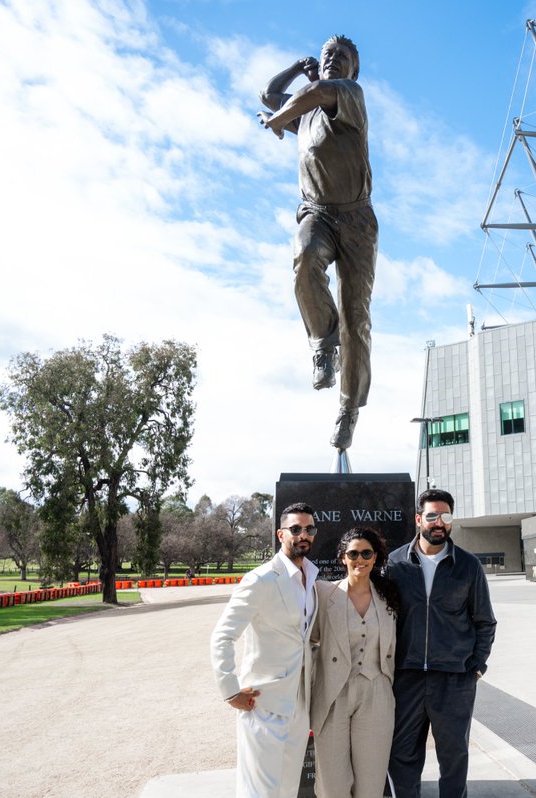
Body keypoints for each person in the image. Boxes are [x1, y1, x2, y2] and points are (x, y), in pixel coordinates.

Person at [257, 35, 377, 451]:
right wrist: (294, 65)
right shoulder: (305, 114)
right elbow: (270, 94)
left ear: (352, 70)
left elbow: (317, 93)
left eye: (342, 57)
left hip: (358, 220)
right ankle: (324, 346)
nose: (333, 60)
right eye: (327, 55)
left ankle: (349, 409)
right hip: (318, 214)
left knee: (355, 317)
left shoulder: (349, 94)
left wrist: (276, 122)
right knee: (305, 257)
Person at [387, 489, 497, 798]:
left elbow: (485, 621)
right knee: (403, 756)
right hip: (406, 677)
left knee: (453, 758)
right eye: (433, 516)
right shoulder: (395, 564)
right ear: (419, 519)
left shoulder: (468, 565)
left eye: (445, 516)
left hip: (454, 679)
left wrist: (476, 666)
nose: (439, 523)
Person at [210, 502, 321, 798]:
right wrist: (231, 690)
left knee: (287, 791)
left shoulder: (312, 577)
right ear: (280, 534)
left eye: (308, 529)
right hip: (263, 704)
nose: (303, 535)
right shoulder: (259, 580)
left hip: (299, 705)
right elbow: (222, 636)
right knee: (258, 793)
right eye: (295, 529)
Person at [310, 527, 400, 798]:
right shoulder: (324, 594)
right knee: (332, 783)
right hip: (333, 694)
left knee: (371, 781)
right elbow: (306, 639)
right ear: (343, 558)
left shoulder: (389, 597)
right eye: (353, 553)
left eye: (366, 553)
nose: (359, 559)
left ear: (375, 557)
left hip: (377, 692)